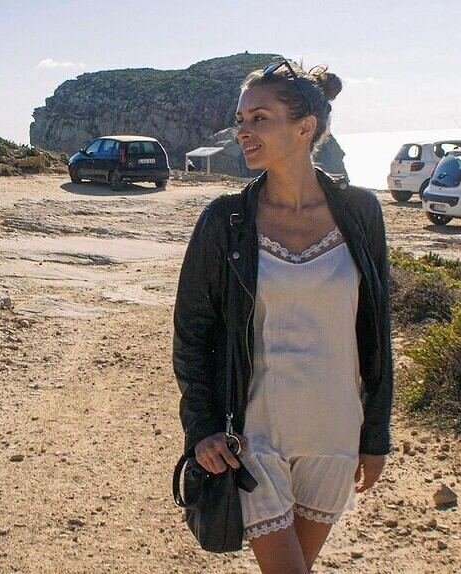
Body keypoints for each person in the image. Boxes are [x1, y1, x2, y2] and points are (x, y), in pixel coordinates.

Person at [173, 61, 392, 573]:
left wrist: (375, 435)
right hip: (255, 436)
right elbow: (192, 333)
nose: (243, 131)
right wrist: (201, 427)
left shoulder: (360, 213)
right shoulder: (225, 221)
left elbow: (376, 332)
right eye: (241, 118)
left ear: (305, 128)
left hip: (335, 432)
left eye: (259, 118)